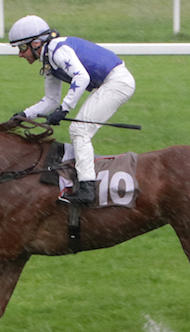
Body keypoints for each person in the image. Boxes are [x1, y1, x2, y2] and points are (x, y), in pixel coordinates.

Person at [7, 15, 136, 205]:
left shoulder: (58, 50)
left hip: (117, 82)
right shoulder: (49, 61)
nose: (20, 54)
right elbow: (51, 100)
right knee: (78, 129)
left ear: (36, 43)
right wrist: (26, 114)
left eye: (22, 48)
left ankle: (87, 189)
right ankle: (84, 182)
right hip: (109, 83)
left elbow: (81, 77)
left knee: (79, 130)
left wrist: (64, 109)